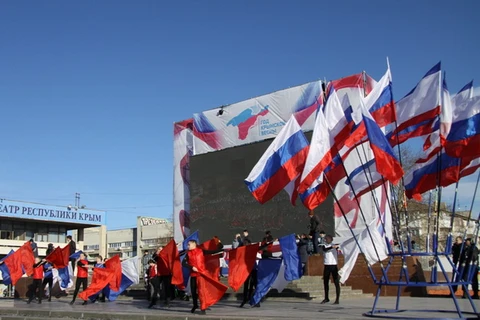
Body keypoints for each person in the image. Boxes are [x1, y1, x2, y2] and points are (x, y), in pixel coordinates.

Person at [182, 240, 207, 315]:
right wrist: (191, 267)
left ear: (194, 244)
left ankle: (203, 308)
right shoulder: (188, 254)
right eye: (188, 245)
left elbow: (212, 252)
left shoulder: (201, 251)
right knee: (193, 291)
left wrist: (221, 249)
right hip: (193, 275)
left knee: (201, 291)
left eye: (189, 244)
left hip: (201, 275)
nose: (188, 246)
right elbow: (183, 263)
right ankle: (195, 305)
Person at [321, 235, 340, 305]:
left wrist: (335, 247)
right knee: (325, 282)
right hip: (327, 265)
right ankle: (326, 298)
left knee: (336, 282)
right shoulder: (324, 246)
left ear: (331, 239)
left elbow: (340, 247)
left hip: (334, 265)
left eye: (327, 239)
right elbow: (325, 250)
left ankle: (337, 299)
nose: (326, 240)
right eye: (325, 239)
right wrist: (332, 247)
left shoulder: (335, 246)